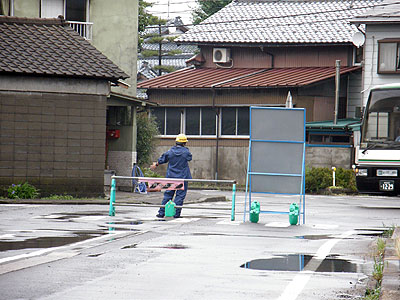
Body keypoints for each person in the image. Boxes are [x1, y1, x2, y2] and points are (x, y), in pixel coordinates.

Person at [150, 133, 192, 218]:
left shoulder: (170, 152)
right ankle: (176, 214)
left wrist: (156, 164)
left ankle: (161, 213)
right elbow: (189, 158)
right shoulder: (186, 152)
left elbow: (163, 159)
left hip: (171, 177)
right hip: (182, 178)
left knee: (168, 195)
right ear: (184, 143)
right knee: (179, 197)